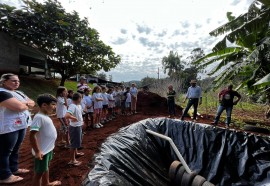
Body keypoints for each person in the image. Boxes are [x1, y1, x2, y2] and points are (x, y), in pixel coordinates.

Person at [0, 73, 35, 184]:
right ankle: (4, 175)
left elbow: (32, 102)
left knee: (15, 148)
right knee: (5, 151)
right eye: (13, 80)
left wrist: (25, 104)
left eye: (18, 81)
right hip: (8, 127)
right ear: (4, 81)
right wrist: (26, 104)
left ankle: (13, 168)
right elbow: (19, 107)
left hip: (21, 125)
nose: (17, 83)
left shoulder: (18, 92)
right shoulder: (2, 93)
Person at [30, 94, 61, 186]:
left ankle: (46, 183)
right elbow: (32, 135)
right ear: (44, 105)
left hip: (48, 149)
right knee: (38, 173)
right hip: (42, 152)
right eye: (53, 104)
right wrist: (37, 151)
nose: (55, 107)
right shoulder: (39, 117)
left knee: (45, 167)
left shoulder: (45, 115)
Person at [65, 93, 85, 166]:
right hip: (75, 127)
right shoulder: (72, 106)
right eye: (81, 98)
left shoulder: (76, 106)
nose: (81, 100)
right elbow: (67, 115)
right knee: (73, 144)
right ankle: (72, 160)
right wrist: (74, 118)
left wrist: (81, 121)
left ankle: (76, 153)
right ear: (79, 98)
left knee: (76, 142)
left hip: (77, 126)